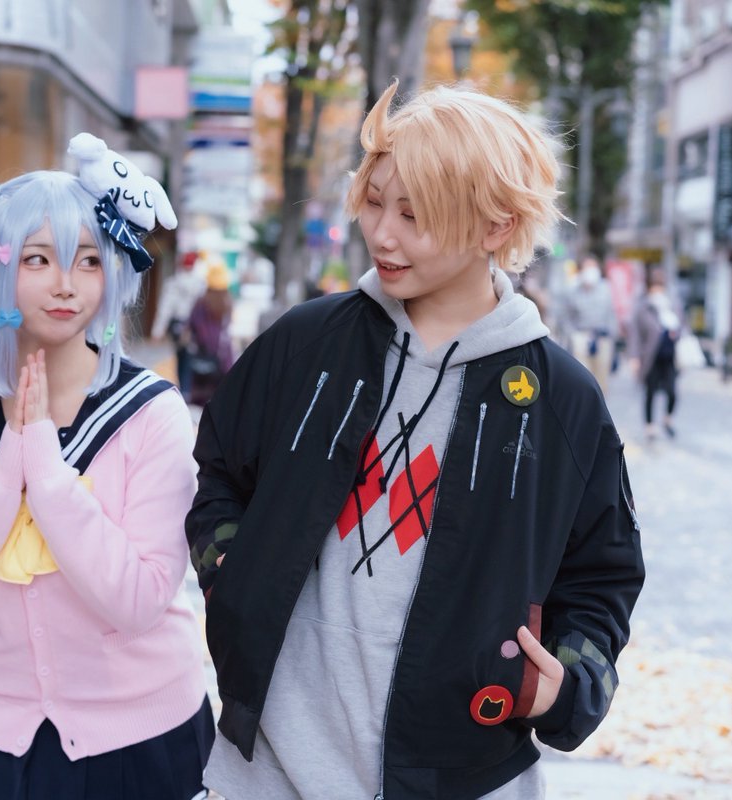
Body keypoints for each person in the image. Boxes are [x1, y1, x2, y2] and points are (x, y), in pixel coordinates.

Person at [186, 81, 645, 800]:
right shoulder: (305, 344)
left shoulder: (562, 400)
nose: (382, 233)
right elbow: (218, 472)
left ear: (494, 227)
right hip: (266, 768)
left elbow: (603, 575)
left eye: (414, 214)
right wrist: (232, 578)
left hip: (466, 776)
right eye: (375, 203)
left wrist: (565, 686)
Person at [0, 137, 213, 800]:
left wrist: (48, 469)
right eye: (38, 259)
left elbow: (141, 598)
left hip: (144, 741)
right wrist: (9, 468)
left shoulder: (151, 412)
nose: (67, 283)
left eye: (89, 260)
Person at [628, 267, 682, 440]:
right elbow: (635, 334)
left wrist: (675, 333)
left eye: (660, 286)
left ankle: (668, 419)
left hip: (670, 356)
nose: (658, 290)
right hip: (650, 357)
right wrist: (634, 357)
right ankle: (649, 426)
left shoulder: (672, 305)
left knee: (672, 391)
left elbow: (683, 327)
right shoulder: (643, 307)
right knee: (650, 391)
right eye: (655, 286)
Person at [151, 251, 208, 397]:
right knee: (191, 356)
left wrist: (158, 330)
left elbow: (165, 308)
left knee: (181, 356)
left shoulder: (174, 283)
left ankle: (183, 388)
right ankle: (188, 389)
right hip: (194, 325)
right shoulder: (200, 284)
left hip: (178, 324)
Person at [563, 257, 618, 394]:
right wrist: (573, 336)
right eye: (587, 267)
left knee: (602, 378)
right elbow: (566, 316)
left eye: (593, 267)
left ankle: (600, 403)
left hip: (602, 337)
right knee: (582, 377)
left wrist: (612, 337)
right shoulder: (572, 290)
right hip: (581, 336)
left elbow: (611, 314)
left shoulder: (606, 288)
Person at [186, 262, 234, 407]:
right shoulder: (228, 301)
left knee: (202, 399)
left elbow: (194, 325)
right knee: (220, 398)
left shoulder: (201, 302)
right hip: (223, 356)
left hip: (204, 355)